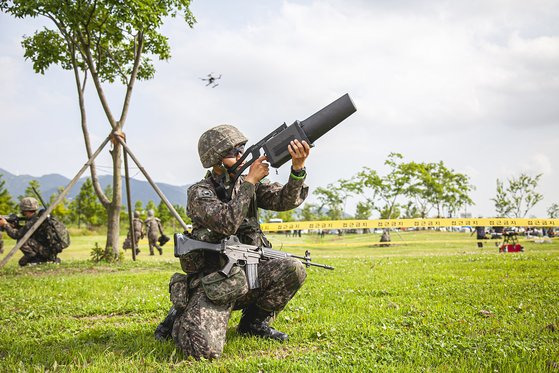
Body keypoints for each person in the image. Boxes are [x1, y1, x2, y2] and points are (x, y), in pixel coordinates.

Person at [155, 124, 310, 360]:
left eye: (242, 149)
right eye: (233, 152)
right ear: (215, 160)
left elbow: (284, 201)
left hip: (247, 276)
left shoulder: (249, 185)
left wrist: (297, 169)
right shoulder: (200, 193)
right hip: (215, 283)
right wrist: (248, 182)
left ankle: (253, 324)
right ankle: (181, 315)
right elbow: (227, 223)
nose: (241, 155)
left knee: (293, 268)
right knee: (202, 352)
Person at [0, 197, 62, 266]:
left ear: (24, 210)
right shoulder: (40, 218)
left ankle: (37, 259)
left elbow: (16, 235)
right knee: (22, 262)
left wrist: (5, 225)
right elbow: (26, 229)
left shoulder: (34, 220)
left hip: (45, 251)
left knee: (22, 240)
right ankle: (43, 259)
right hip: (50, 251)